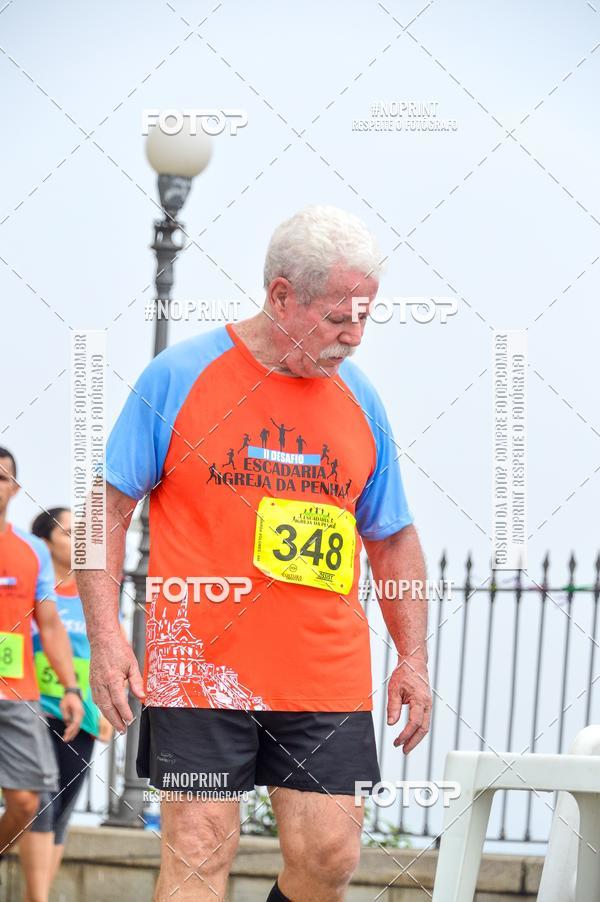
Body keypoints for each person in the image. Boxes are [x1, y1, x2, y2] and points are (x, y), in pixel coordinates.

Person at [77, 204, 432, 902]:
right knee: (198, 847)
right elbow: (104, 511)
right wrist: (107, 636)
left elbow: (392, 537)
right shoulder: (180, 375)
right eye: (338, 318)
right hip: (200, 669)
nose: (355, 336)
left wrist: (413, 657)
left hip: (322, 673)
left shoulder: (361, 399)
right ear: (281, 295)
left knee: (329, 856)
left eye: (365, 317)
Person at [18, 507, 113, 902]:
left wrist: (105, 709)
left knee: (60, 810)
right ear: (45, 541)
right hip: (32, 708)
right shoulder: (30, 592)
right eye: (70, 532)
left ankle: (38, 895)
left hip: (82, 715)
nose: (80, 540)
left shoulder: (96, 597)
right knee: (36, 802)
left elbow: (106, 655)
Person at [0, 449, 83, 889]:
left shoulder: (31, 551)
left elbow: (49, 626)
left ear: (15, 488)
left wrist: (73, 689)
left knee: (30, 802)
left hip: (18, 696)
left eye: (2, 477)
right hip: (28, 703)